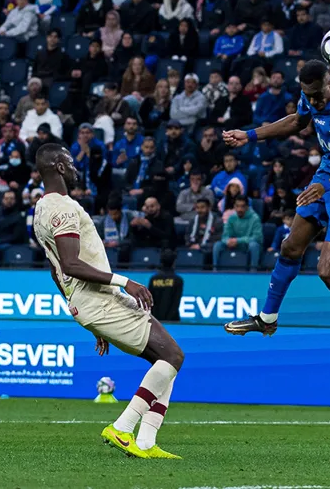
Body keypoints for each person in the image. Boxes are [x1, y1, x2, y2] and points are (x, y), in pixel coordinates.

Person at [222, 60, 330, 373]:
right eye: (309, 95)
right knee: (290, 248)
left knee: (327, 271)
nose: (315, 102)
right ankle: (267, 319)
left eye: (318, 95)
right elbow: (296, 121)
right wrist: (249, 135)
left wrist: (327, 185)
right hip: (325, 177)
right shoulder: (309, 95)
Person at [32, 143, 183, 459]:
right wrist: (124, 282)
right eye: (71, 163)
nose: (75, 168)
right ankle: (123, 428)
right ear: (59, 166)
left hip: (89, 302)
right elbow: (71, 264)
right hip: (99, 298)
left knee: (165, 359)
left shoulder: (41, 209)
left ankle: (145, 443)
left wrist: (84, 316)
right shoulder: (63, 208)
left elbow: (55, 271)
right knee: (172, 356)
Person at [213, 195, 263, 269]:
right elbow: (224, 236)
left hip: (247, 246)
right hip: (234, 245)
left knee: (254, 245)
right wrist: (228, 241)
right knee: (217, 245)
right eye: (237, 206)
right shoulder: (231, 218)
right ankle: (215, 270)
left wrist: (238, 240)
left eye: (242, 206)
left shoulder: (255, 218)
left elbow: (257, 237)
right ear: (234, 207)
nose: (239, 209)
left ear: (247, 207)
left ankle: (253, 270)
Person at [148, 250, 184, 322]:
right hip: (172, 321)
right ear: (174, 263)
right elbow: (176, 303)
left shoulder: (154, 279)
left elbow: (150, 301)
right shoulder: (178, 280)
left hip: (156, 320)